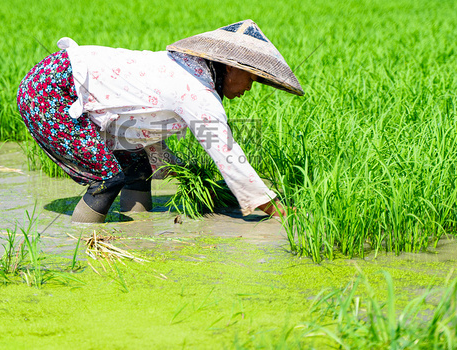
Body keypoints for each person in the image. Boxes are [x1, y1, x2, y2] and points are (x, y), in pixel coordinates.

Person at [17, 20, 303, 223]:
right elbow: (228, 156)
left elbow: (146, 129)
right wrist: (278, 210)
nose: (249, 88)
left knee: (137, 166)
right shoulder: (198, 92)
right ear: (230, 67)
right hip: (51, 89)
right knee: (107, 176)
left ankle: (139, 232)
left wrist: (187, 174)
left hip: (62, 79)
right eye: (251, 78)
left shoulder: (190, 73)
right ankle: (82, 244)